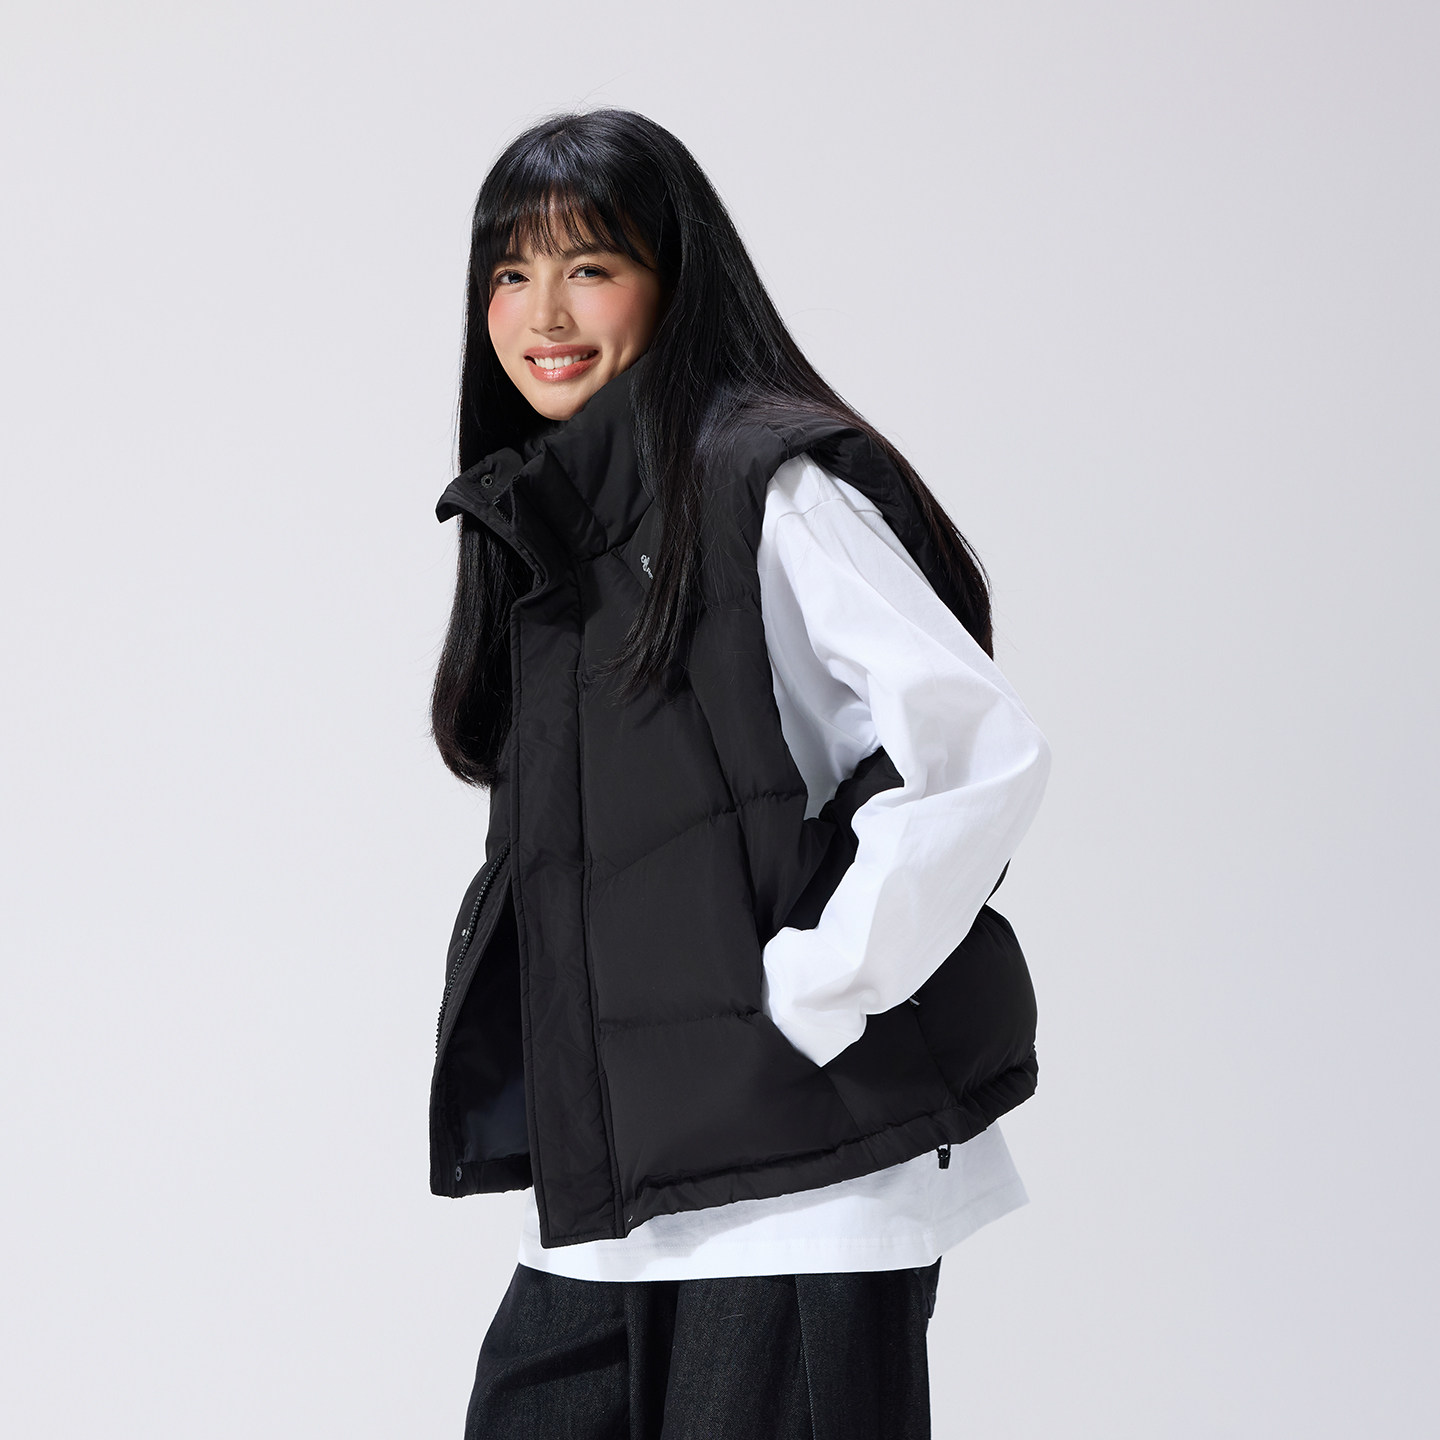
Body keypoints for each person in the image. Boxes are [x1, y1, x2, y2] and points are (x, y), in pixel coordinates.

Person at [427, 108, 1052, 1440]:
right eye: (510, 272)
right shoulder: (553, 529)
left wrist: (816, 993)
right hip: (623, 1197)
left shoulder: (767, 484)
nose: (544, 312)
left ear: (673, 278)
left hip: (804, 1188)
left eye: (590, 266)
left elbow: (977, 750)